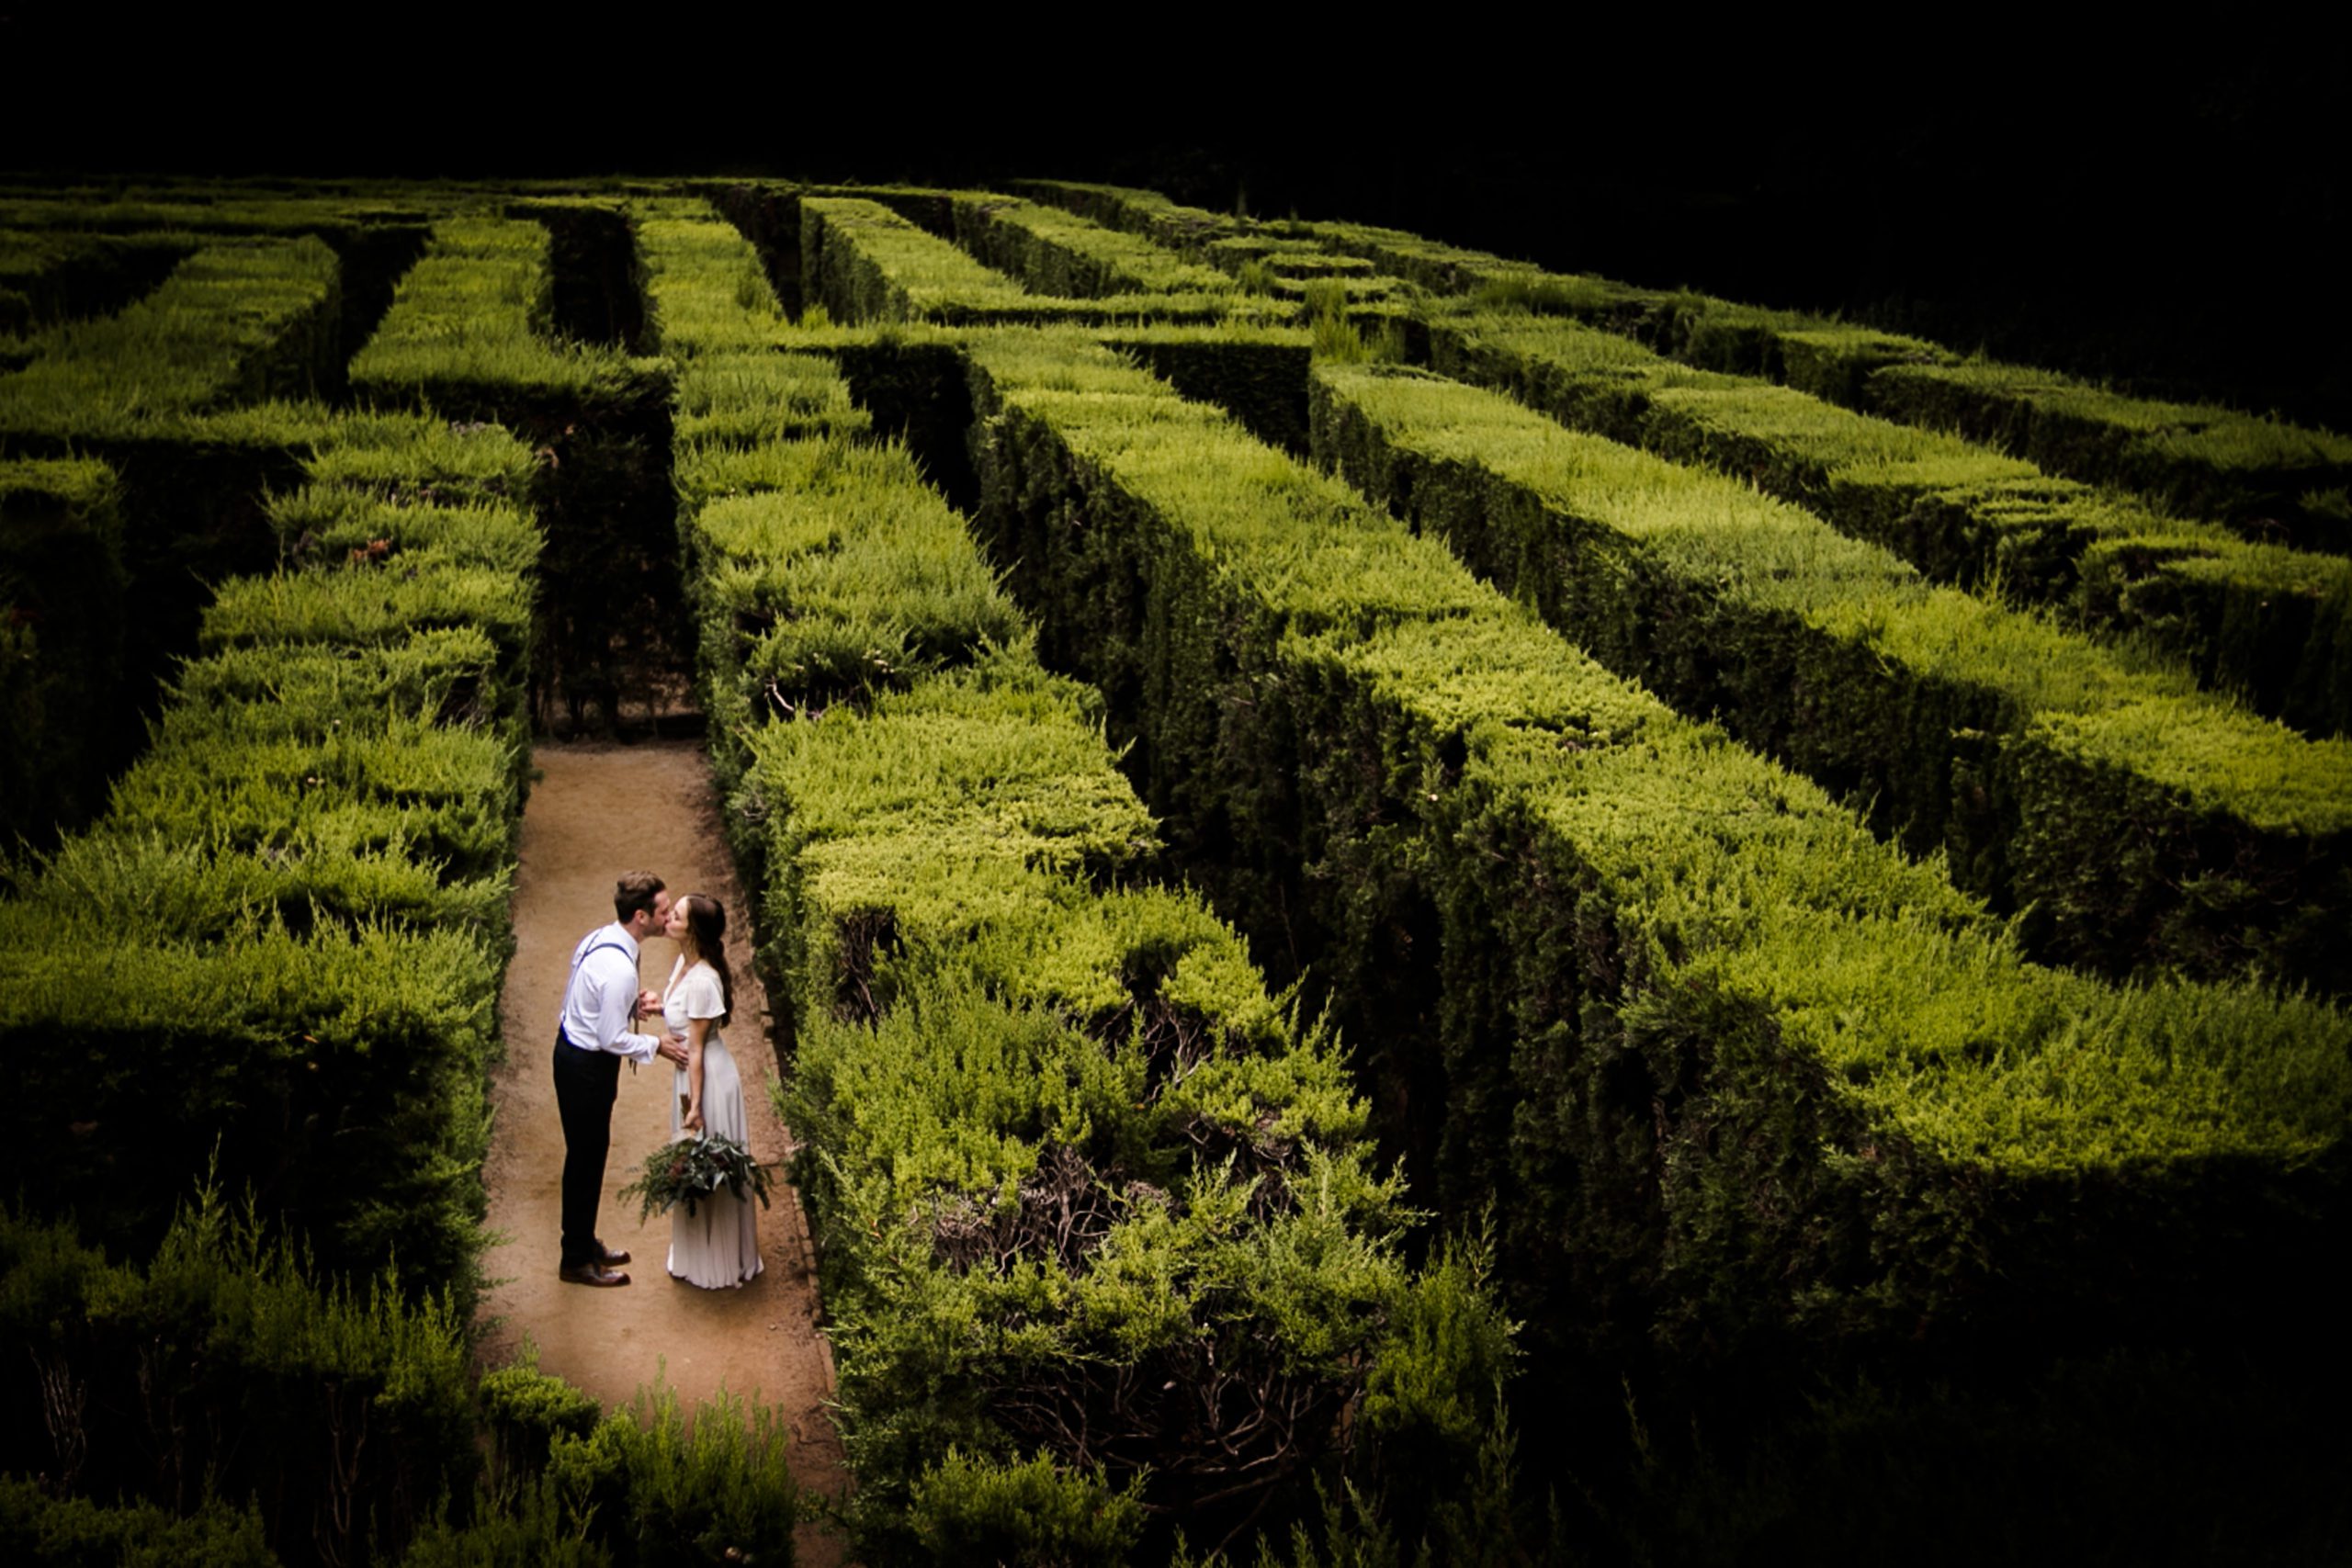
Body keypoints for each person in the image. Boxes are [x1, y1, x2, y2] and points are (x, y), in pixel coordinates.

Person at [554, 870, 691, 1287]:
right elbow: (610, 1038)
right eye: (663, 912)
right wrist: (657, 1047)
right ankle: (575, 1260)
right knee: (585, 1161)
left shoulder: (603, 938)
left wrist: (633, 1003)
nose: (668, 918)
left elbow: (595, 998)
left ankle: (581, 1241)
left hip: (575, 1056)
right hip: (586, 1069)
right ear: (640, 916)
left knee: (587, 1158)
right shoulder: (620, 967)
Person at [662, 893, 762, 1288]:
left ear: (694, 930)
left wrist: (696, 1108)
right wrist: (655, 1008)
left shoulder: (704, 979)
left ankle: (718, 1261)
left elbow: (698, 1049)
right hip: (689, 1077)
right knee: (693, 1168)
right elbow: (682, 1020)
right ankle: (696, 1251)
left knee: (710, 1166)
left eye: (678, 915)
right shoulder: (682, 966)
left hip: (707, 1083)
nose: (668, 917)